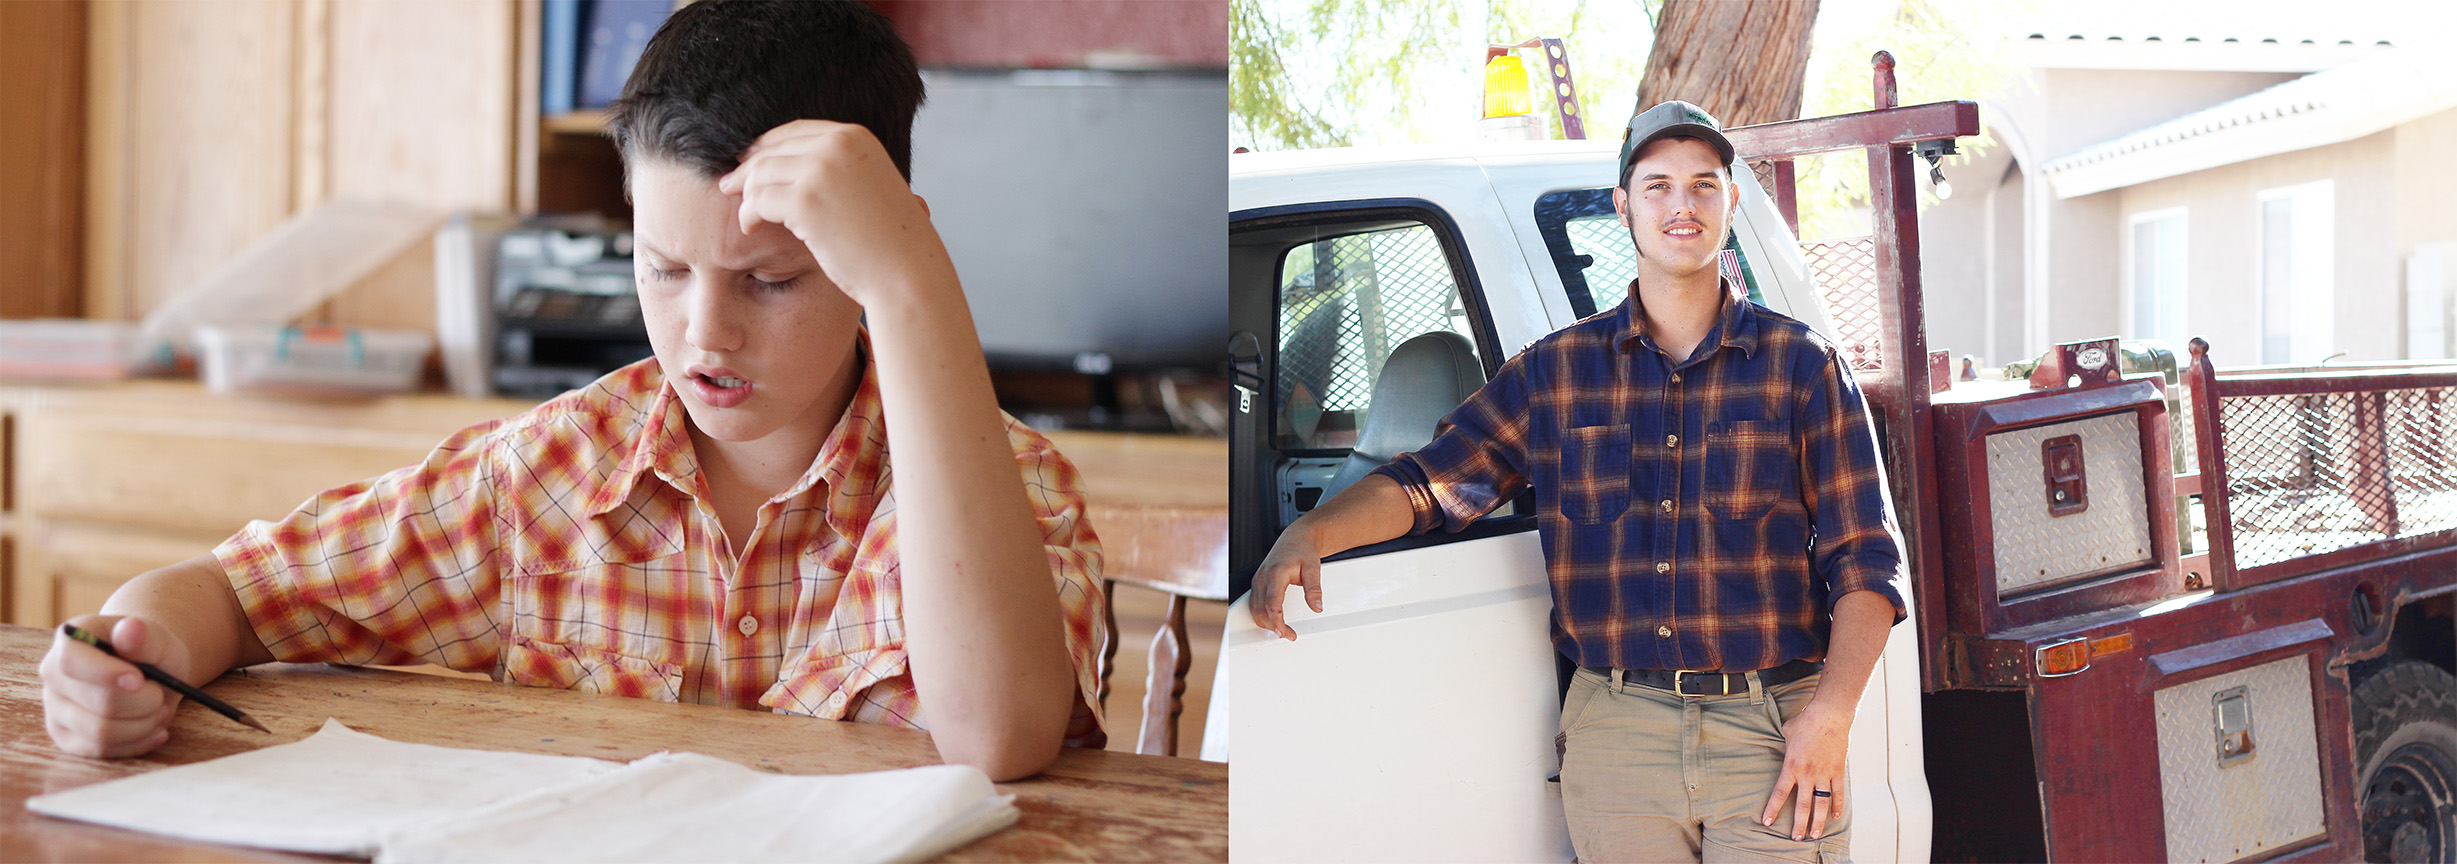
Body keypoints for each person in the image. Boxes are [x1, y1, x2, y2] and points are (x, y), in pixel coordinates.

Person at [40, 0, 1105, 782]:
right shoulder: (544, 478)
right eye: (662, 268)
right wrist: (127, 655)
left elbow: (1001, 734)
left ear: (879, 253)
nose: (706, 332)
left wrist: (915, 282)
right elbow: (230, 594)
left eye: (770, 281)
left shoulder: (1008, 482)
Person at [1248, 100, 1907, 862]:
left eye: (1703, 184)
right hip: (1616, 733)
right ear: (1622, 205)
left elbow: (1865, 563)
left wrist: (1829, 717)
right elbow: (1432, 484)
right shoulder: (1554, 373)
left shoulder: (1805, 368)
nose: (1681, 205)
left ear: (1730, 200)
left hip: (1769, 728)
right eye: (1657, 185)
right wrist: (1311, 531)